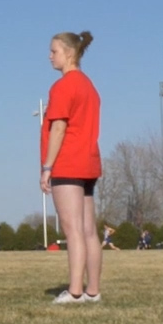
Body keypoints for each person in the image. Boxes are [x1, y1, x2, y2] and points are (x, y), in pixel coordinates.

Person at [41, 31, 103, 305]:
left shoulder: (64, 86)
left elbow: (58, 127)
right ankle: (93, 290)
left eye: (54, 51)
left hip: (68, 162)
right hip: (89, 162)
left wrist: (47, 166)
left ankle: (76, 290)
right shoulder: (89, 85)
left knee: (73, 229)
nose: (50, 56)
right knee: (89, 230)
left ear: (68, 53)